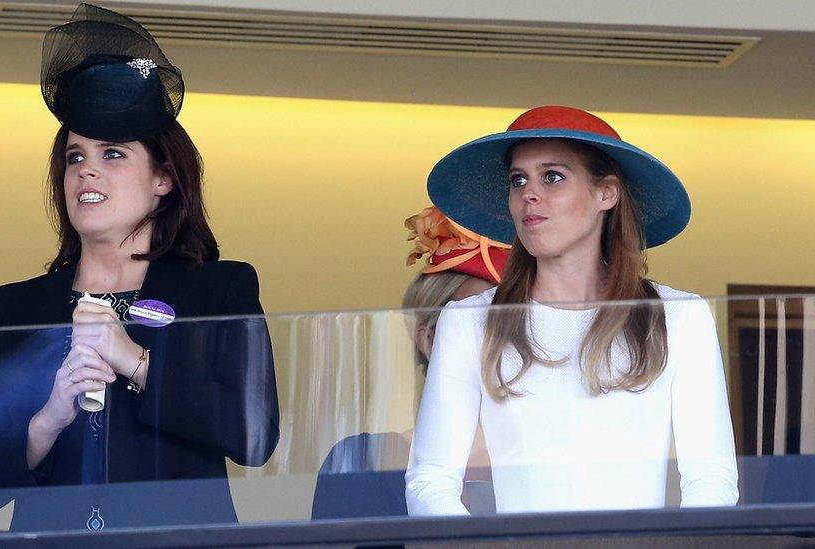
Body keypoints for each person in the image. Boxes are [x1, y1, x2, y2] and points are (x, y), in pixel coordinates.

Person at [0, 3, 279, 532]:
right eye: (75, 157)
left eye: (113, 154)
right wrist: (48, 419)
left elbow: (255, 438)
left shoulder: (218, 289)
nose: (87, 173)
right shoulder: (11, 307)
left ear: (164, 179)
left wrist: (135, 361)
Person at [407, 106, 738, 515]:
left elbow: (711, 478)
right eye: (518, 179)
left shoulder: (679, 317)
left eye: (553, 176)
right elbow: (431, 478)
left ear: (607, 193)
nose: (529, 192)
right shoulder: (469, 321)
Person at [310, 206, 508, 519]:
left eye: (521, 320)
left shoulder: (559, 453)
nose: (509, 337)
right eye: (482, 320)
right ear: (429, 339)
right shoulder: (363, 461)